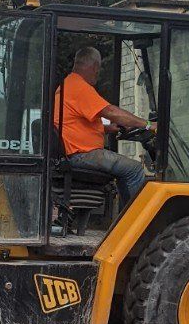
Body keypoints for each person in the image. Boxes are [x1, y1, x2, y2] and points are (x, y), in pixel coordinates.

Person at [54, 45, 155, 205]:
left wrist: (109, 129)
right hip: (82, 155)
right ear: (94, 66)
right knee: (135, 169)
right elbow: (111, 112)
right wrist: (148, 125)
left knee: (124, 171)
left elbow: (74, 124)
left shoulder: (68, 85)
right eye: (98, 69)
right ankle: (137, 215)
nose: (98, 73)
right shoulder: (79, 87)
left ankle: (126, 213)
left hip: (74, 154)